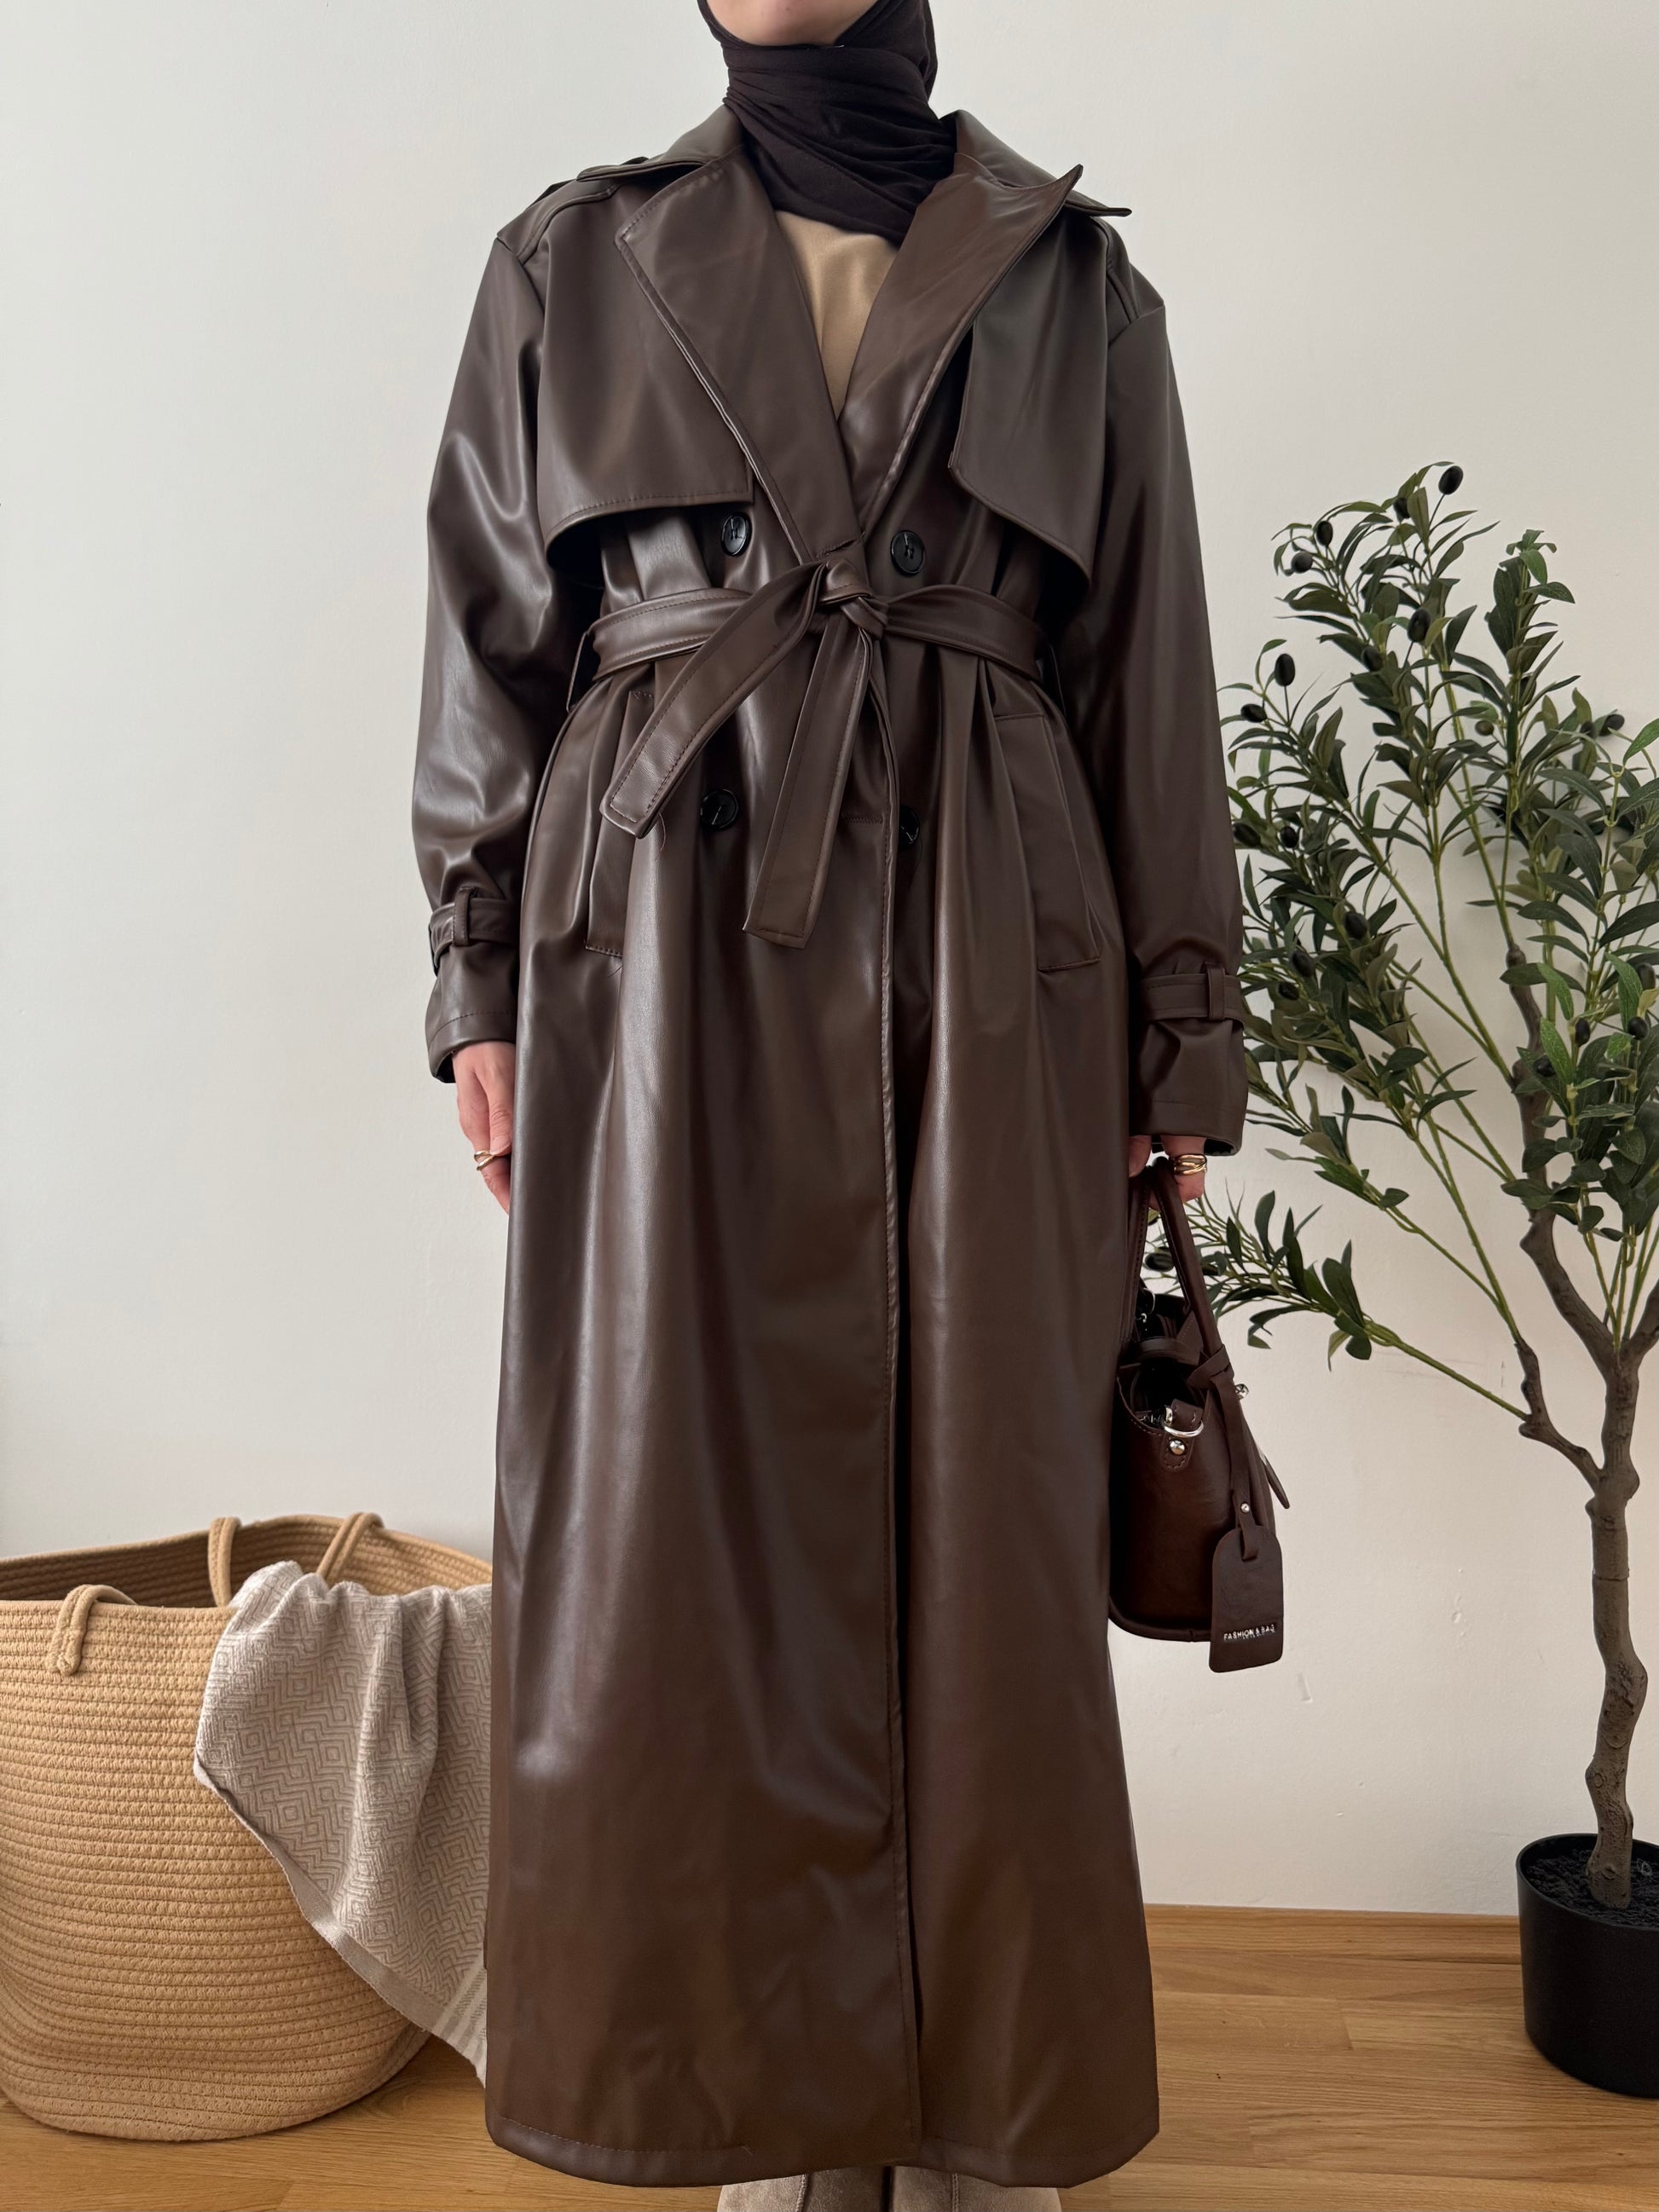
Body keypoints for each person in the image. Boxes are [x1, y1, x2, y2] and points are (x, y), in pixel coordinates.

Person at [412, 2, 1245, 2204]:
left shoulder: (1074, 285)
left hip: (997, 960)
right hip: (654, 962)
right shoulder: (571, 261)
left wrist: (1180, 1028)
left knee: (986, 1531)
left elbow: (1148, 677)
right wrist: (476, 973)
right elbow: (490, 648)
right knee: (670, 1544)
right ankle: (751, 2117)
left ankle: (980, 2130)